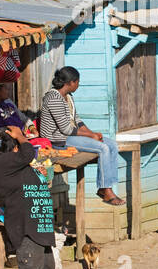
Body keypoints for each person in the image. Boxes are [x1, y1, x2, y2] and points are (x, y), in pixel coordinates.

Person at [0, 126, 73, 269]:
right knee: (29, 266)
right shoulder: (2, 162)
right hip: (24, 224)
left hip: (39, 222)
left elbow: (36, 173)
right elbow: (28, 152)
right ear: (14, 147)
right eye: (19, 144)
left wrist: (40, 173)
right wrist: (20, 136)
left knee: (45, 265)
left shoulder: (17, 164)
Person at [38, 66, 126, 206]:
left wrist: (93, 134)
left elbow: (77, 120)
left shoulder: (68, 97)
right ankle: (106, 190)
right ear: (71, 82)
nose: (78, 85)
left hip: (69, 137)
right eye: (77, 82)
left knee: (112, 144)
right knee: (103, 148)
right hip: (58, 140)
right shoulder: (53, 98)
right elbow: (66, 129)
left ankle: (105, 187)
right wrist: (91, 136)